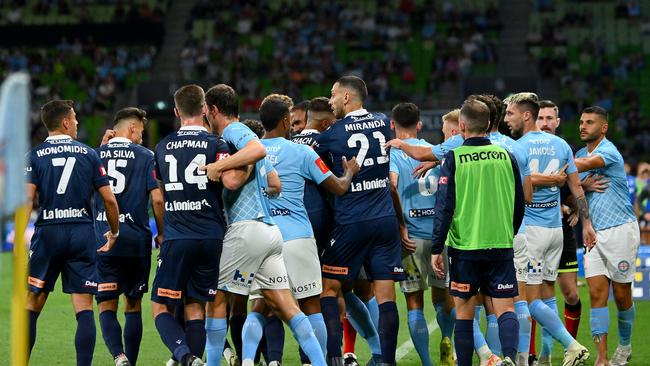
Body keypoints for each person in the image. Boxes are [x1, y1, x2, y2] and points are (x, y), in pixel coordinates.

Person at [201, 84, 327, 366]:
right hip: (270, 233)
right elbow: (275, 183)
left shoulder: (232, 131)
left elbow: (252, 155)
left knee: (217, 300)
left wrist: (219, 169)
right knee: (287, 307)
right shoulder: (241, 145)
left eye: (206, 112)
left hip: (245, 229)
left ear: (213, 110)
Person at [253, 97, 359, 365]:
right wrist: (349, 173)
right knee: (312, 306)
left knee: (262, 308)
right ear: (286, 121)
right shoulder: (302, 152)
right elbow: (337, 187)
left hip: (262, 236)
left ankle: (264, 360)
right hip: (298, 236)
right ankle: (315, 362)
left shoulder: (248, 150)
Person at [151, 85, 249, 366]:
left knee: (160, 307)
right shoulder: (217, 144)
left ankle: (183, 356)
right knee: (196, 307)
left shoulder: (162, 146)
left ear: (176, 111)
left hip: (178, 235)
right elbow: (230, 182)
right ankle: (190, 358)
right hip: (211, 236)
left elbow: (161, 191)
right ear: (205, 109)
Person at [315, 75, 404, 366]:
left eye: (332, 95)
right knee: (386, 295)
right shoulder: (382, 121)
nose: (329, 101)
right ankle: (387, 361)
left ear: (346, 98)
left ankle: (334, 357)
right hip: (385, 219)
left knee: (329, 288)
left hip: (352, 221)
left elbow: (311, 159)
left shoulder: (334, 133)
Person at [25, 99, 120, 366]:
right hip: (81, 233)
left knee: (32, 305)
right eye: (75, 118)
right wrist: (114, 231)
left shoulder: (33, 155)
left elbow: (26, 201)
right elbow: (110, 201)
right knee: (84, 308)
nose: (77, 122)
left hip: (48, 233)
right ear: (65, 122)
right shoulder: (89, 154)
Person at [431, 98, 524, 366]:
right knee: (506, 307)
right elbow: (519, 203)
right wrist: (509, 231)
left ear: (461, 126)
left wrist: (437, 248)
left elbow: (444, 206)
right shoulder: (506, 156)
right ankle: (508, 358)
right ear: (488, 125)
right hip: (500, 243)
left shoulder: (455, 157)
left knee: (464, 312)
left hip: (464, 248)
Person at [504, 92, 594, 366]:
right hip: (555, 229)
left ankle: (567, 347)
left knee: (526, 301)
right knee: (545, 293)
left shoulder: (517, 147)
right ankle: (544, 355)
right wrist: (587, 223)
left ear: (525, 116)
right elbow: (576, 187)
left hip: (531, 229)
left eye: (512, 114)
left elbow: (522, 190)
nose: (509, 119)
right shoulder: (562, 145)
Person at [388, 103, 458, 366]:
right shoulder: (432, 152)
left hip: (410, 239)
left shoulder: (394, 153)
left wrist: (400, 225)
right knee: (443, 296)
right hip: (441, 238)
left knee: (414, 301)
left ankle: (427, 363)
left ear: (393, 125)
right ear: (419, 124)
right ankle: (447, 340)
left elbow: (392, 186)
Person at [95, 107, 164, 366]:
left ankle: (118, 356)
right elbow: (157, 200)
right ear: (132, 128)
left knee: (106, 306)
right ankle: (131, 363)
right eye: (141, 132)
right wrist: (162, 235)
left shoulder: (96, 155)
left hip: (103, 239)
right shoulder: (147, 156)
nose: (142, 137)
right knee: (133, 306)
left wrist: (101, 149)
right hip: (136, 241)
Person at [574, 106, 640, 366]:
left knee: (622, 296)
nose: (582, 126)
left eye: (589, 122)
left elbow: (583, 166)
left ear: (603, 128)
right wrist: (581, 186)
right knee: (597, 295)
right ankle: (602, 359)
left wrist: (555, 161)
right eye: (581, 122)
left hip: (621, 230)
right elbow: (570, 190)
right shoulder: (579, 153)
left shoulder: (608, 151)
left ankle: (624, 347)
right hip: (593, 233)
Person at [531, 100, 586, 363]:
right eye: (541, 118)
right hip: (534, 228)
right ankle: (544, 352)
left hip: (562, 231)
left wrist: (575, 207)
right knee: (539, 292)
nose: (545, 123)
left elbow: (573, 187)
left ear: (558, 121)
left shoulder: (565, 149)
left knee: (571, 293)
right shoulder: (527, 147)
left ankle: (568, 347)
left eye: (550, 118)